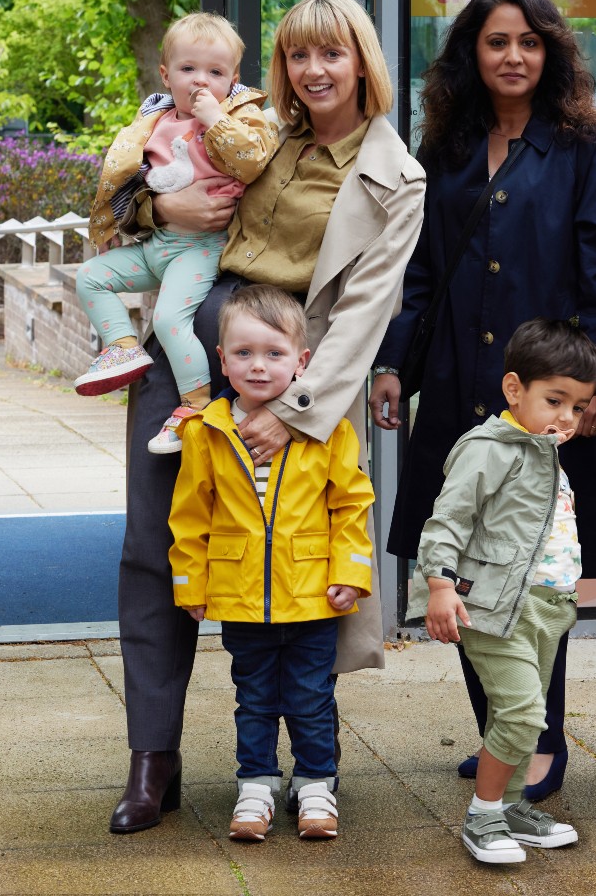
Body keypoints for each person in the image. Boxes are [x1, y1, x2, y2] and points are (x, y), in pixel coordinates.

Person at [108, 0, 425, 835]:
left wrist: (297, 410)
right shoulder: (252, 129)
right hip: (190, 347)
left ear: (364, 63)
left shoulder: (398, 177)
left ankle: (305, 763)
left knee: (291, 560)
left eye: (331, 54)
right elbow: (131, 199)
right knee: (155, 547)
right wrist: (161, 208)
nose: (313, 71)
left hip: (293, 374)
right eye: (296, 55)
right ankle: (153, 756)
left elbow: (365, 312)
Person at [369, 0, 596, 802]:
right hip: (455, 389)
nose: (513, 56)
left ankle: (538, 738)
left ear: (550, 51)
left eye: (528, 41)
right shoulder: (446, 147)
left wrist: (590, 390)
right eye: (495, 42)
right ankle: (501, 731)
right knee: (467, 567)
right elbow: (418, 273)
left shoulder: (585, 148)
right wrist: (392, 364)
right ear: (471, 56)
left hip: (546, 401)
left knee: (533, 574)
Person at [169, 285, 373, 842]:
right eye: (243, 353)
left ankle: (315, 785)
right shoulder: (205, 432)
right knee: (254, 699)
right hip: (239, 595)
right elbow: (190, 516)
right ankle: (255, 786)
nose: (258, 366)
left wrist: (351, 575)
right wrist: (190, 584)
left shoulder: (328, 429)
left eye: (274, 354)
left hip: (312, 595)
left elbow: (351, 504)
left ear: (302, 361)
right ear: (222, 359)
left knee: (311, 698)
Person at [411, 319, 596, 863]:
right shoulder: (487, 449)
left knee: (517, 715)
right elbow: (447, 521)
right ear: (514, 389)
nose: (566, 417)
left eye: (578, 407)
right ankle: (482, 815)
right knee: (522, 715)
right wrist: (440, 585)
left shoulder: (542, 447)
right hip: (495, 609)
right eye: (555, 400)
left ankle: (511, 806)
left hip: (547, 610)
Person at [76, 12, 279, 453]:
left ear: (234, 78)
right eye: (188, 70)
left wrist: (215, 118)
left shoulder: (241, 116)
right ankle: (123, 347)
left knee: (169, 319)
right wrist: (108, 222)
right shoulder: (153, 119)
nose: (200, 82)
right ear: (166, 76)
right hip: (155, 244)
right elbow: (123, 174)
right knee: (90, 277)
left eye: (215, 72)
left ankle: (193, 404)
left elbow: (252, 162)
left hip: (199, 248)